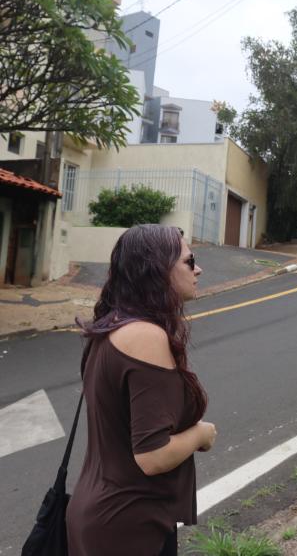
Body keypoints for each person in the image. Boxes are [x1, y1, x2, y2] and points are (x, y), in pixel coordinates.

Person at [66, 224, 217, 556]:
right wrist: (201, 434)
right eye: (190, 261)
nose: (199, 269)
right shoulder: (145, 336)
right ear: (158, 270)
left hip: (104, 513)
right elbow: (152, 455)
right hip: (127, 526)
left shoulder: (112, 326)